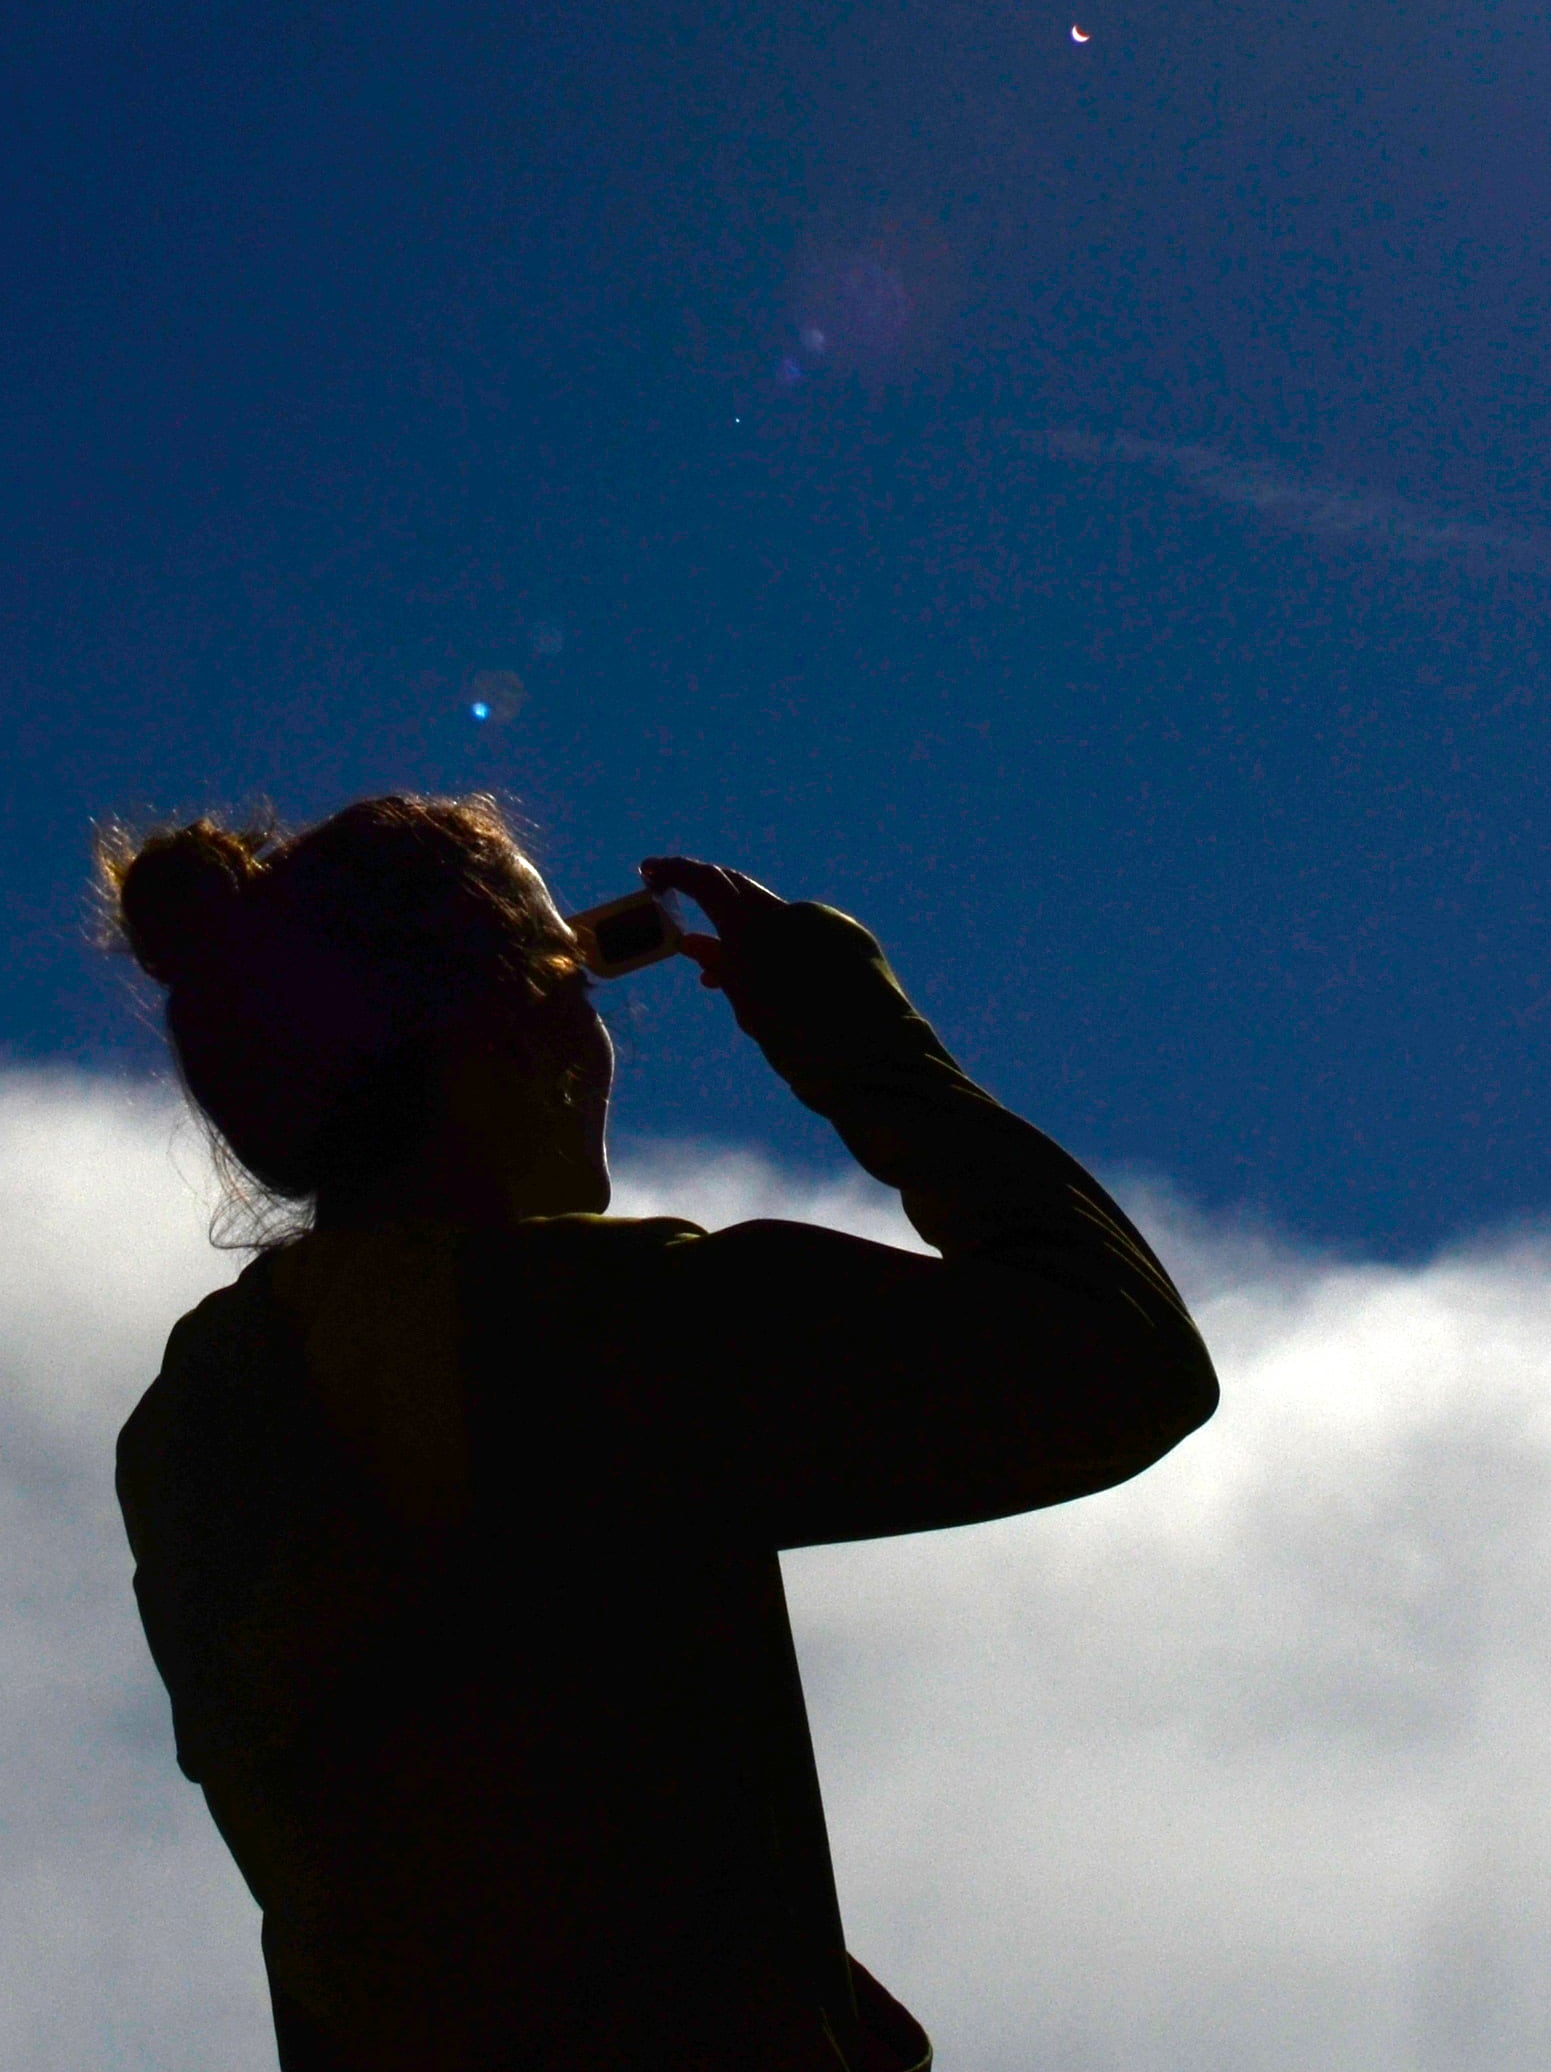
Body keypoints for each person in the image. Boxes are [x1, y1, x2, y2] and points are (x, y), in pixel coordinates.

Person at [106, 794, 1217, 2072]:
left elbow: (474, 1809)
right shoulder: (578, 1332)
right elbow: (1118, 1361)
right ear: (512, 1024)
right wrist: (868, 1051)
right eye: (578, 975)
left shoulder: (203, 1410)